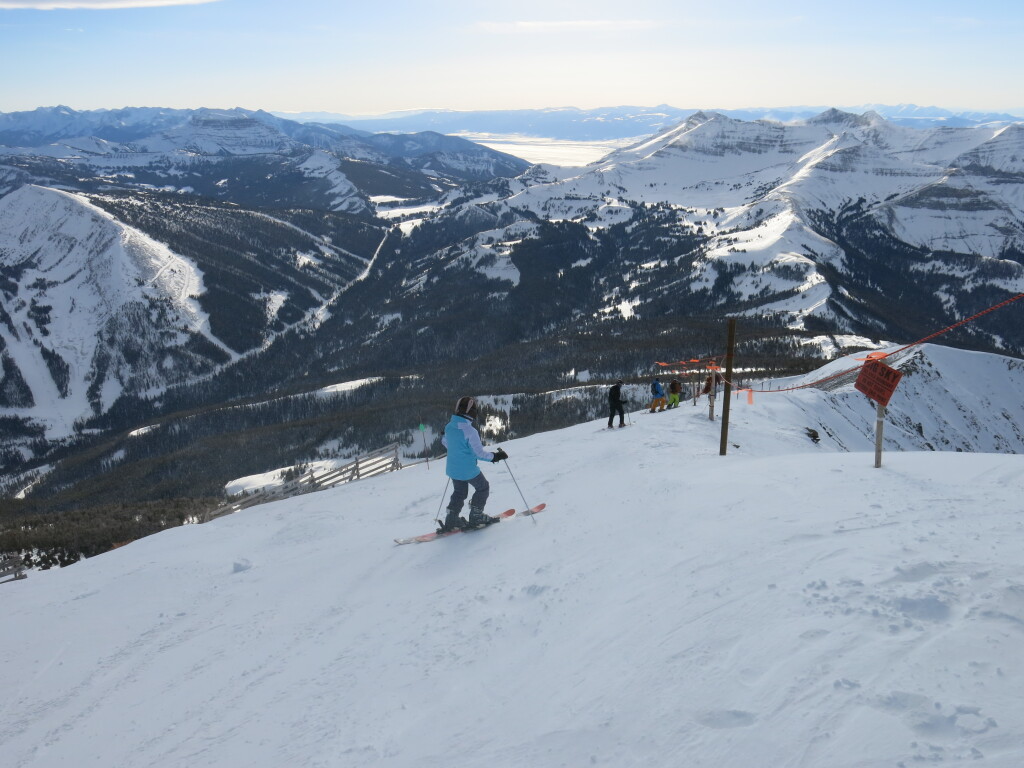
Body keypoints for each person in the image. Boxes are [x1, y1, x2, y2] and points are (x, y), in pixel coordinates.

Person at [439, 396, 508, 532]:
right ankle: (476, 516)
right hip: (468, 470)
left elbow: (447, 443)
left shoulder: (449, 427)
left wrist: (444, 436)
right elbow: (479, 454)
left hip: (453, 469)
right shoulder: (470, 431)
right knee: (483, 488)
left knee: (459, 492)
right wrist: (495, 456)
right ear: (471, 412)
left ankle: (452, 519)